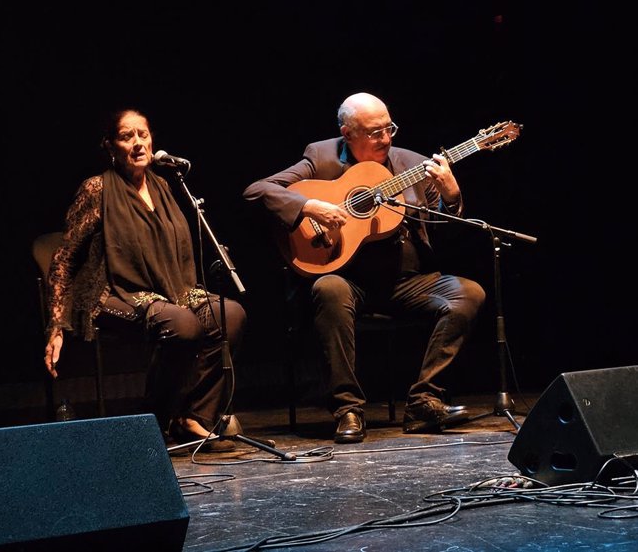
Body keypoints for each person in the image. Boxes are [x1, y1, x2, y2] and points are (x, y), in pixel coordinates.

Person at [243, 92, 486, 443]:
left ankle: (423, 400)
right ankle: (348, 409)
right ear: (348, 133)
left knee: (469, 294)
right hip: (348, 281)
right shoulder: (321, 157)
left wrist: (451, 196)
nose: (385, 139)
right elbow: (258, 191)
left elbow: (445, 232)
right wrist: (311, 206)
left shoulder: (413, 166)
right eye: (374, 133)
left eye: (389, 129)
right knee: (328, 288)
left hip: (406, 282)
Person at [43, 108, 247, 450]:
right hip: (110, 291)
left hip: (169, 290)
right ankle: (152, 423)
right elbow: (64, 259)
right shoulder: (97, 189)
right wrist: (56, 324)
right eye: (127, 136)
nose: (138, 143)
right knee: (182, 325)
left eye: (144, 134)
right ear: (110, 146)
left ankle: (196, 416)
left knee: (230, 315)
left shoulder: (165, 185)